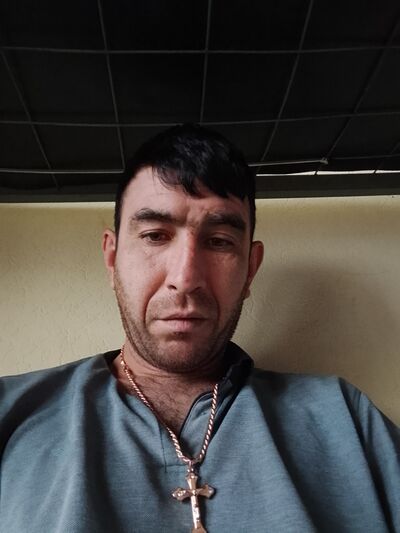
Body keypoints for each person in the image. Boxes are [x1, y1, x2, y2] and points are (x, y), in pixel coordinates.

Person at [0, 124, 399, 533]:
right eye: (155, 236)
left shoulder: (346, 419)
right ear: (112, 259)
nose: (186, 278)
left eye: (220, 241)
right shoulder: (11, 412)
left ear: (250, 269)